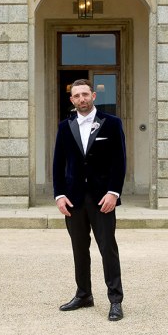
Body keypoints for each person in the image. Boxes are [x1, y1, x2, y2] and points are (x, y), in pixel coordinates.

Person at [52, 79, 126, 321]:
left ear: (93, 95)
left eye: (85, 94)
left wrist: (113, 192)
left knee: (108, 249)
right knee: (79, 249)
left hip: (102, 198)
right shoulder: (65, 126)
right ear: (71, 100)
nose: (82, 99)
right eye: (77, 96)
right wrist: (60, 195)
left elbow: (119, 161)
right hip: (73, 199)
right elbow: (58, 164)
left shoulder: (112, 123)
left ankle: (115, 300)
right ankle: (83, 294)